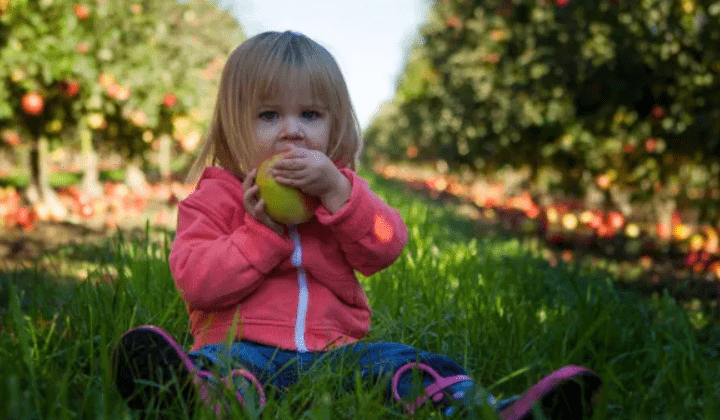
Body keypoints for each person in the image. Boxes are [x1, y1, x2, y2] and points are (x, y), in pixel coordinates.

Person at [111, 30, 602, 419]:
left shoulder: (342, 191)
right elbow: (198, 283)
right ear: (232, 124)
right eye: (268, 115)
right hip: (244, 348)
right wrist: (262, 236)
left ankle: (490, 410)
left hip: (338, 355)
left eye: (310, 114)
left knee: (408, 363)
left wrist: (338, 196)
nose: (292, 130)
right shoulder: (214, 199)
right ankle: (193, 395)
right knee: (223, 370)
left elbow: (385, 247)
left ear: (335, 124)